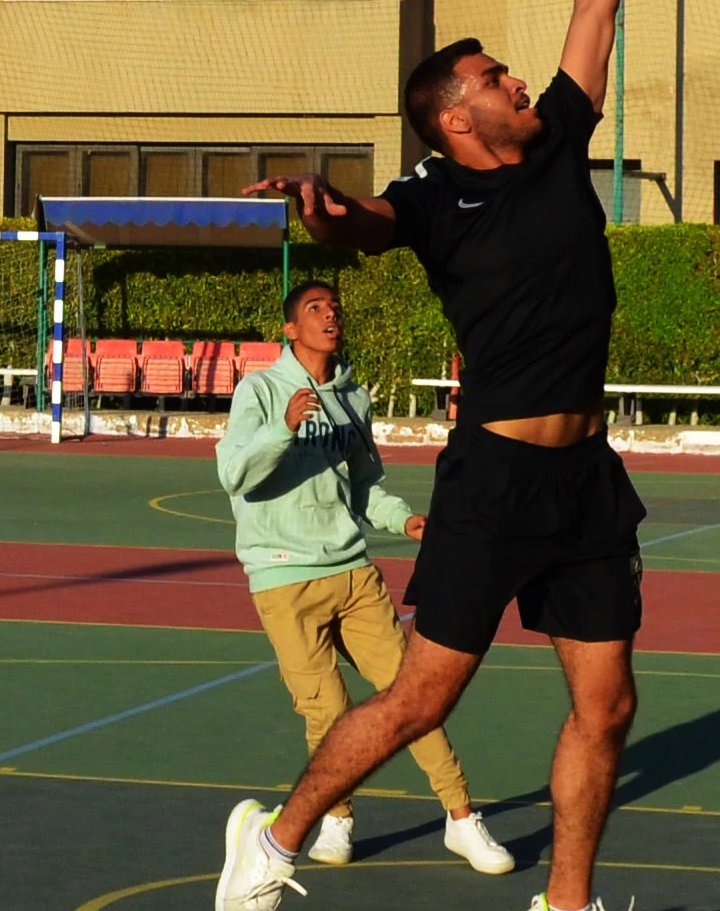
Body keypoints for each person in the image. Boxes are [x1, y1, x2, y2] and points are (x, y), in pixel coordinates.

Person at [213, 0, 687, 911]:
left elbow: (596, 0)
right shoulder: (432, 197)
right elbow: (357, 223)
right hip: (494, 476)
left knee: (611, 701)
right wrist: (318, 202)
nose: (519, 76)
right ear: (451, 116)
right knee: (421, 697)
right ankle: (266, 847)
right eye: (493, 74)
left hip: (584, 475)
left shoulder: (556, 141)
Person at [218, 279, 516, 876]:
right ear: (289, 329)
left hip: (354, 574)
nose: (329, 316)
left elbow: (363, 487)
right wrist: (282, 427)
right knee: (326, 712)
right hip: (282, 578)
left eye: (334, 308)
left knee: (417, 700)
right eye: (313, 309)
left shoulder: (353, 396)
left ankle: (461, 819)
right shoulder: (260, 391)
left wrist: (403, 520)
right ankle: (338, 817)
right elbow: (234, 475)